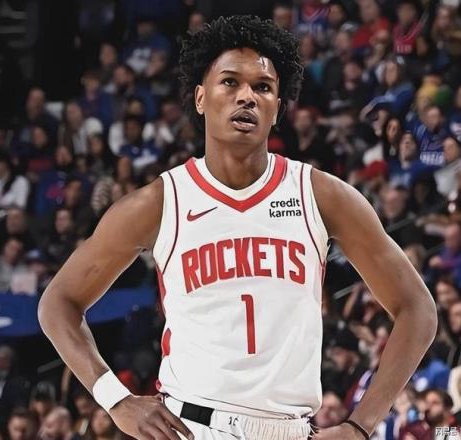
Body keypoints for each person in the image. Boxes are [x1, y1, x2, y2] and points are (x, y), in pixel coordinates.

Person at [38, 16, 437, 440]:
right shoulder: (159, 202)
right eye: (230, 82)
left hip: (291, 431)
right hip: (191, 426)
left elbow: (417, 309)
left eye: (263, 87)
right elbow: (58, 302)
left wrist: (360, 425)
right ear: (200, 97)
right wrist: (116, 399)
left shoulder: (321, 195)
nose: (247, 96)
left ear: (277, 108)